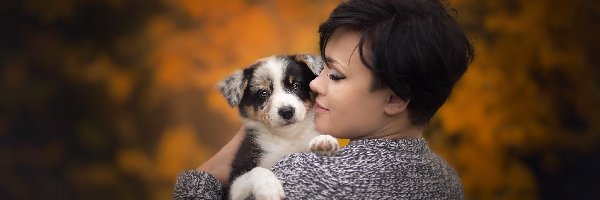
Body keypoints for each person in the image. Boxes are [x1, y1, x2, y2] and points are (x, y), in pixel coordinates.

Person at [174, 0, 475, 199]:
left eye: (336, 74)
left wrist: (216, 167)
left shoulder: (302, 178)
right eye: (322, 68)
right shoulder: (448, 180)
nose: (315, 84)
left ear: (395, 98)